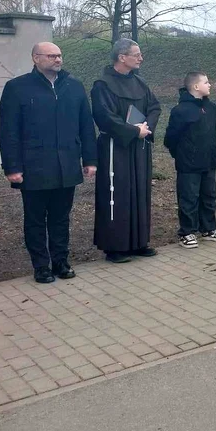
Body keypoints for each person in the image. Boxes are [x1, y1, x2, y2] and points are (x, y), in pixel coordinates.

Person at [0, 43, 97, 283]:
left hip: (67, 165)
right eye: (51, 56)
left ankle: (61, 261)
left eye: (60, 55)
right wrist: (12, 167)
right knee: (35, 219)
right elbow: (8, 131)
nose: (58, 59)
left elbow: (86, 125)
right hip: (34, 167)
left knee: (61, 218)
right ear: (35, 58)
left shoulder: (74, 86)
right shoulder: (17, 88)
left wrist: (91, 159)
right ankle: (41, 266)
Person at [91, 39, 161, 263]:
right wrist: (132, 130)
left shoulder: (140, 82)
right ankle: (116, 246)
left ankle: (139, 242)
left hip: (138, 147)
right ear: (122, 57)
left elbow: (154, 107)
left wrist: (144, 129)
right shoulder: (102, 85)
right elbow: (104, 116)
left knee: (139, 192)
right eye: (137, 54)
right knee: (117, 194)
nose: (141, 58)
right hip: (115, 148)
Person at [164, 72, 216, 248]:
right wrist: (183, 154)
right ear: (196, 87)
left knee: (209, 196)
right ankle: (187, 232)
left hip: (209, 161)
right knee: (189, 198)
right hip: (188, 164)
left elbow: (212, 132)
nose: (210, 85)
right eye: (206, 82)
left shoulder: (212, 108)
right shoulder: (180, 110)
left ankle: (208, 228)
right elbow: (171, 138)